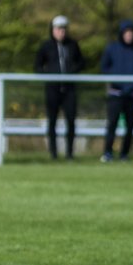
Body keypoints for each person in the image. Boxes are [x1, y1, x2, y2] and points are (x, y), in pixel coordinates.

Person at [35, 15, 86, 160]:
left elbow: (81, 62)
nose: (61, 32)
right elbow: (37, 66)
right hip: (52, 89)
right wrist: (49, 74)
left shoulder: (72, 45)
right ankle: (53, 153)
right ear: (52, 30)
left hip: (69, 90)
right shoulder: (46, 46)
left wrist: (71, 71)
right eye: (58, 29)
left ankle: (70, 153)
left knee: (71, 120)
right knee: (52, 121)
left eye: (63, 29)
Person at [99, 19, 133, 162]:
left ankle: (124, 154)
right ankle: (107, 153)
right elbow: (104, 67)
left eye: (131, 33)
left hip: (132, 94)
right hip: (116, 94)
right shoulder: (112, 49)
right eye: (127, 33)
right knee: (112, 124)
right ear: (122, 34)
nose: (129, 35)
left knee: (131, 125)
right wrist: (115, 80)